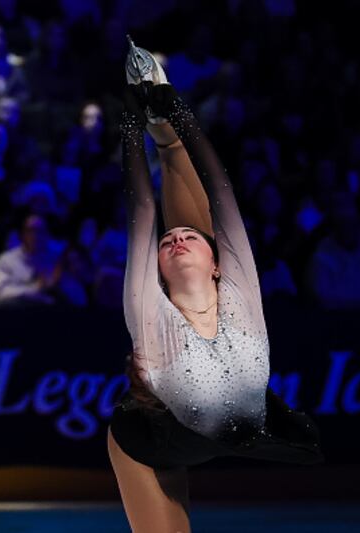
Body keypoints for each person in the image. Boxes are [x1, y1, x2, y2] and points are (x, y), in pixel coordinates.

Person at [107, 41, 323, 532]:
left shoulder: (239, 294)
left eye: (187, 236)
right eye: (168, 243)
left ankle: (169, 139)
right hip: (148, 439)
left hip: (224, 422)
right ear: (156, 274)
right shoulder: (149, 308)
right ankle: (165, 137)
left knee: (206, 225)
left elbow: (222, 196)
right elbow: (143, 210)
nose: (177, 239)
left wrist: (177, 112)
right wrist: (129, 123)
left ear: (221, 266)